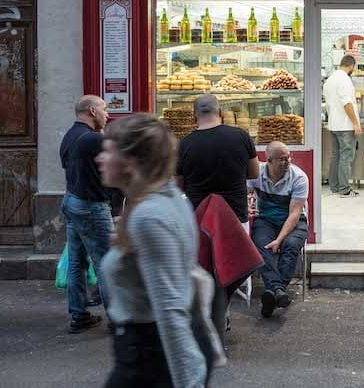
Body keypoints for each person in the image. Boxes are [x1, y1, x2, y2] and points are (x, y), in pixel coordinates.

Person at [97, 113, 208, 387]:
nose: (100, 159)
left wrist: (189, 380)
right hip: (144, 353)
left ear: (130, 162)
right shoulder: (167, 196)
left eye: (108, 151)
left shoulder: (149, 216)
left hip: (147, 359)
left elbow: (170, 309)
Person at [58, 94, 112, 333]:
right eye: (104, 109)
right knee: (106, 264)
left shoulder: (69, 136)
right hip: (91, 206)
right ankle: (119, 320)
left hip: (72, 201)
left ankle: (79, 315)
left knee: (77, 262)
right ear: (92, 111)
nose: (107, 114)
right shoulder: (92, 139)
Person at [247, 141, 309, 318]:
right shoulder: (256, 173)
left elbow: (295, 213)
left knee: (290, 245)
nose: (288, 161)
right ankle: (279, 291)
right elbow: (244, 192)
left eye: (289, 157)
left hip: (294, 221)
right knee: (260, 243)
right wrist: (247, 204)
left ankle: (272, 291)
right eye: (282, 159)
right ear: (269, 160)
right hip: (266, 220)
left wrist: (279, 239)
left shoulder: (298, 177)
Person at [176, 94, 259, 223]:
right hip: (235, 216)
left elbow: (179, 185)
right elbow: (254, 173)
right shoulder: (242, 136)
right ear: (220, 113)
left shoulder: (184, 144)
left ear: (194, 116)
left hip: (199, 218)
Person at [322, 55, 362, 198]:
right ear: (351, 66)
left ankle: (334, 187)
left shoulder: (330, 80)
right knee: (346, 157)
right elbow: (347, 104)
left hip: (334, 124)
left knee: (336, 156)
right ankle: (344, 189)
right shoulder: (344, 80)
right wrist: (356, 123)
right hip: (345, 125)